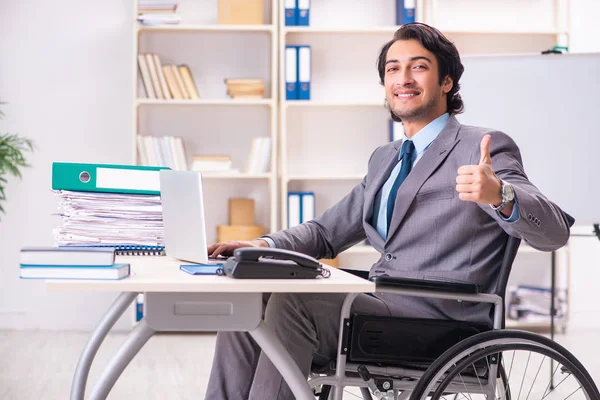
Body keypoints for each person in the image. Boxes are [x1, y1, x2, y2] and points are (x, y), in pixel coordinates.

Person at [204, 22, 571, 400]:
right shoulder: (386, 158)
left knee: (293, 303)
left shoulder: (481, 147)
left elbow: (554, 231)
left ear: (447, 82)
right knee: (248, 299)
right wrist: (259, 246)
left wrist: (501, 195)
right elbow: (325, 232)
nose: (403, 78)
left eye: (419, 66)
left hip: (441, 322)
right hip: (379, 306)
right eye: (393, 69)